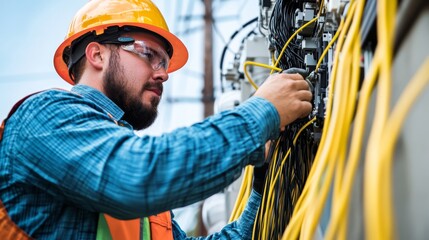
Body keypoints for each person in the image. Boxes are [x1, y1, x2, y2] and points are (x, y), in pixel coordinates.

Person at [0, 0, 312, 239]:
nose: (162, 73)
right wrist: (262, 112)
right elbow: (137, 176)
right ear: (97, 55)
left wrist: (260, 188)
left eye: (165, 63)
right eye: (149, 54)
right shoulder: (44, 118)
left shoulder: (150, 207)